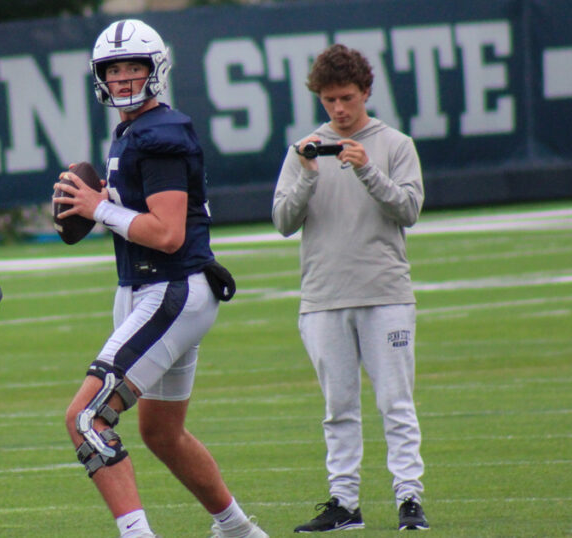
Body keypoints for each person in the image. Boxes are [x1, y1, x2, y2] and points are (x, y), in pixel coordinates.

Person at [52, 19, 266, 538]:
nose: (124, 79)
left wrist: (101, 208)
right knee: (162, 433)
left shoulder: (160, 133)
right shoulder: (135, 132)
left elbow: (168, 233)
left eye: (134, 67)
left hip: (169, 290)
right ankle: (238, 529)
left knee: (85, 417)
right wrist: (108, 201)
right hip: (150, 291)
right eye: (114, 69)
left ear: (156, 69)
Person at [271, 43, 430, 532]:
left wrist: (366, 169)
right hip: (323, 297)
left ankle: (409, 500)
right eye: (328, 100)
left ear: (365, 92)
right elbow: (281, 220)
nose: (338, 109)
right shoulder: (305, 149)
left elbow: (408, 209)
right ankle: (343, 504)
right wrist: (308, 174)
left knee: (395, 404)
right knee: (337, 408)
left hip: (385, 293)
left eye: (346, 97)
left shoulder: (394, 144)